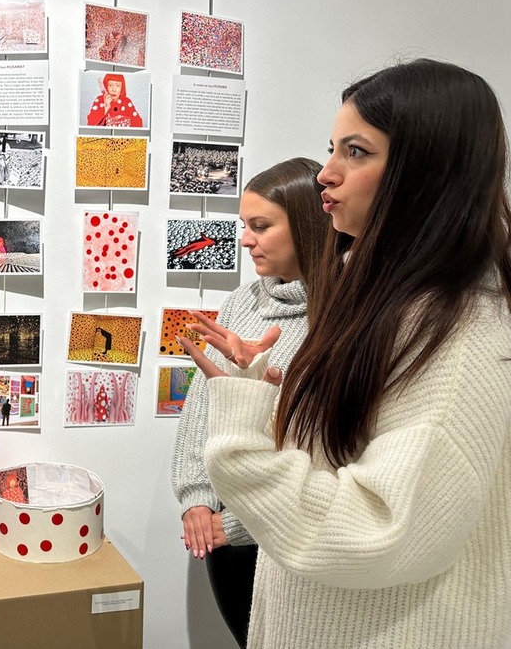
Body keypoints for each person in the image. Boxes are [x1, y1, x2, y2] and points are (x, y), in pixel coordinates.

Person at [181, 59, 511, 648]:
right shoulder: (381, 306)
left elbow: (380, 529)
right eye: (331, 149)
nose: (325, 174)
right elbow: (338, 454)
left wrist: (241, 443)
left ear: (426, 173)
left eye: (356, 152)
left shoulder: (456, 333)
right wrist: (257, 391)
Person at [171, 157, 328, 648]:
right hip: (221, 532)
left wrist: (236, 524)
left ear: (306, 226)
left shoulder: (341, 315)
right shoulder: (242, 302)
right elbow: (204, 402)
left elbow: (318, 450)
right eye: (244, 225)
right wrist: (195, 496)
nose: (244, 239)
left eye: (260, 226)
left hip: (285, 535)